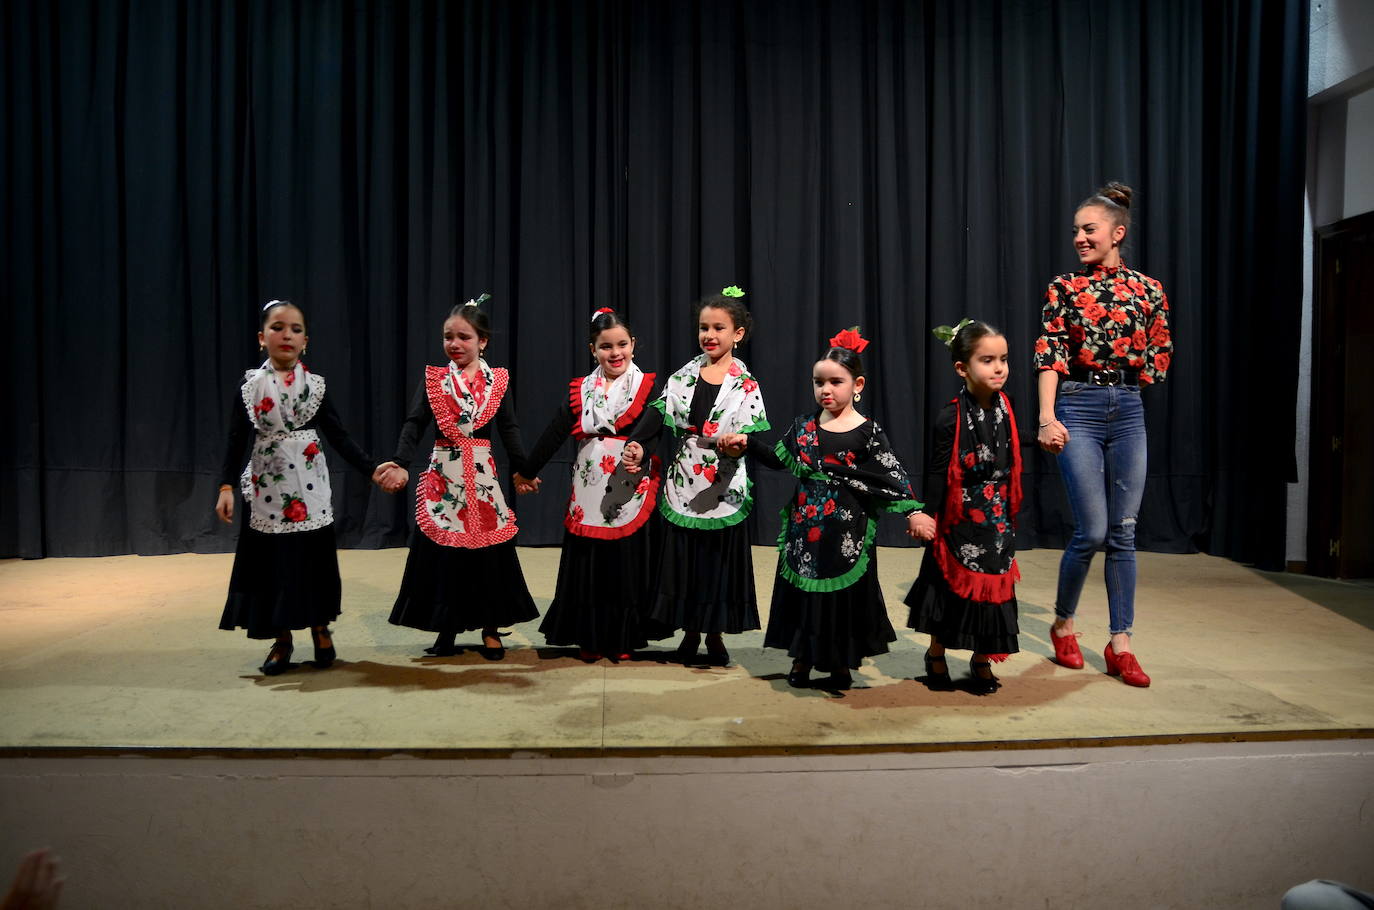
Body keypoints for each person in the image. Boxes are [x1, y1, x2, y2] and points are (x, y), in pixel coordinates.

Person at [732, 327, 928, 691]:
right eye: (818, 382)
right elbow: (779, 460)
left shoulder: (868, 431)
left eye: (836, 381)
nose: (826, 389)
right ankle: (803, 657)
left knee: (841, 599)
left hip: (847, 535)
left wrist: (913, 512)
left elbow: (892, 474)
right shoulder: (803, 426)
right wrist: (747, 443)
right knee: (805, 596)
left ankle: (840, 662)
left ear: (858, 385)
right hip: (806, 533)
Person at [1034, 181, 1172, 687]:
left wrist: (1132, 372)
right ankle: (1064, 624)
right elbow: (1049, 354)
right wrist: (1048, 417)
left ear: (1118, 232)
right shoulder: (1064, 288)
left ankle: (1121, 643)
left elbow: (1160, 349)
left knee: (1124, 533)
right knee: (1091, 531)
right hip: (1079, 406)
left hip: (1128, 410)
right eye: (1076, 231)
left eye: (1088, 229)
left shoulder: (1149, 289)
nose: (1079, 238)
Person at [216, 300, 387, 675]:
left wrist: (372, 469)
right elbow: (235, 439)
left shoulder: (316, 387)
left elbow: (339, 437)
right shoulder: (251, 386)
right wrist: (226, 484)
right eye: (278, 328)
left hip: (310, 489)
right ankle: (282, 639)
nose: (286, 335)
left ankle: (320, 627)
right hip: (267, 490)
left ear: (305, 340)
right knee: (273, 565)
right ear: (262, 338)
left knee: (313, 562)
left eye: (295, 329)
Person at [374, 296, 538, 660]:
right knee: (445, 555)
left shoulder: (496, 382)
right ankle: (446, 625)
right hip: (444, 476)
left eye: (464, 337)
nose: (455, 344)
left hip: (482, 477)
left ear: (483, 341)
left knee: (488, 555)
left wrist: (523, 469)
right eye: (449, 336)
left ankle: (492, 628)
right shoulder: (436, 379)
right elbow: (415, 422)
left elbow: (509, 428)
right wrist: (401, 460)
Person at [621, 286, 768, 666]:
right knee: (686, 561)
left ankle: (715, 632)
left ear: (737, 334)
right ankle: (688, 631)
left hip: (723, 483)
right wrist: (638, 444)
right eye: (704, 327)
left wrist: (739, 445)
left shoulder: (746, 384)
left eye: (719, 327)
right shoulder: (683, 377)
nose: (709, 335)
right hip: (686, 479)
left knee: (717, 562)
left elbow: (750, 435)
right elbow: (656, 416)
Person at [513, 307, 664, 661]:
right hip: (589, 485)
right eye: (606, 346)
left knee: (625, 563)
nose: (615, 353)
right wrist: (526, 470)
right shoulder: (582, 390)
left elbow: (657, 429)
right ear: (592, 349)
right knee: (591, 564)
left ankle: (625, 637)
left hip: (631, 485)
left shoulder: (648, 387)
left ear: (633, 345)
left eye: (622, 344)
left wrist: (642, 451)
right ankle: (590, 636)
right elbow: (554, 433)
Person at [904, 319, 1022, 695]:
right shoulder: (951, 415)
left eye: (1003, 359)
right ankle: (936, 652)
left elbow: (1008, 448)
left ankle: (981, 659)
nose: (999, 367)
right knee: (950, 590)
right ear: (962, 368)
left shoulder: (1008, 405)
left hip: (996, 518)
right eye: (987, 360)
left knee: (991, 591)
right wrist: (926, 513)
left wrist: (1043, 439)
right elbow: (939, 472)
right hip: (960, 516)